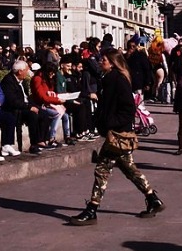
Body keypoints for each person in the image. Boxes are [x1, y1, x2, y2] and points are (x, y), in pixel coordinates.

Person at [70, 49, 164, 225]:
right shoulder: (109, 78)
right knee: (130, 169)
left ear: (112, 62)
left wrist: (110, 123)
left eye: (104, 59)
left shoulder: (117, 79)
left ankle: (92, 209)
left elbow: (128, 108)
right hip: (115, 133)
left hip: (118, 134)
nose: (100, 62)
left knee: (102, 170)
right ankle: (153, 199)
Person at [0, 60, 43, 154]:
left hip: (24, 105)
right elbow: (13, 101)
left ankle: (42, 140)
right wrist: (28, 107)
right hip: (16, 108)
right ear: (20, 71)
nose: (27, 73)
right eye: (26, 70)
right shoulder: (8, 81)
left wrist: (34, 105)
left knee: (43, 113)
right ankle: (34, 144)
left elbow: (27, 96)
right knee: (32, 115)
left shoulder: (22, 81)